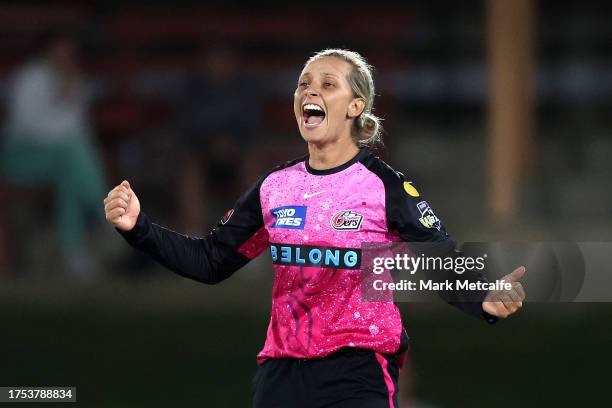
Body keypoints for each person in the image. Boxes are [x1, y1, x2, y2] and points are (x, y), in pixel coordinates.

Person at [104, 49, 525, 407]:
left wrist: (483, 296)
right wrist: (139, 228)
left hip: (358, 370)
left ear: (355, 105)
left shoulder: (384, 186)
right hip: (281, 376)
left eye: (327, 84)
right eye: (304, 84)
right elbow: (211, 261)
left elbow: (439, 256)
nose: (310, 91)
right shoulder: (274, 187)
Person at [3, 31, 106, 278]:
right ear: (47, 51)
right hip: (19, 158)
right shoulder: (29, 77)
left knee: (71, 170)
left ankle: (74, 252)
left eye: (70, 52)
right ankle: (109, 219)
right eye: (61, 50)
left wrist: (70, 94)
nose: (67, 56)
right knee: (73, 155)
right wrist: (61, 100)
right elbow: (27, 127)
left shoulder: (75, 82)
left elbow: (80, 131)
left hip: (60, 159)